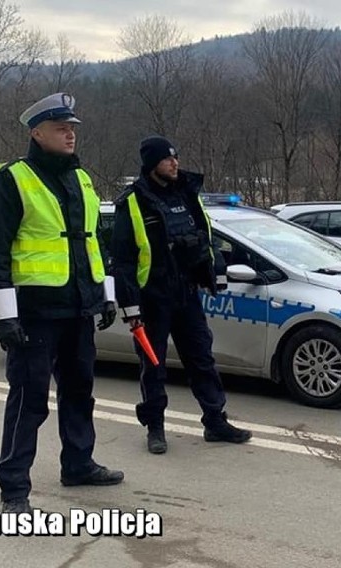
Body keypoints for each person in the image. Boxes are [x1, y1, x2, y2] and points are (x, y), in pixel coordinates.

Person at [0, 93, 124, 514]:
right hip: (35, 313)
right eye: (62, 128)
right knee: (29, 400)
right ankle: (13, 487)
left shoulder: (81, 179)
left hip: (78, 308)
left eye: (73, 128)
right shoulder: (13, 179)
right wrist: (3, 316)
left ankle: (78, 464)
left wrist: (105, 295)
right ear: (37, 132)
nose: (70, 134)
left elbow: (97, 243)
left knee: (80, 393)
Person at [110, 136, 252, 454]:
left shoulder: (187, 193)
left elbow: (207, 237)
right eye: (167, 159)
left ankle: (215, 421)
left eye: (176, 158)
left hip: (186, 294)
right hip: (152, 298)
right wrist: (130, 305)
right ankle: (155, 428)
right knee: (154, 365)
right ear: (151, 164)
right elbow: (123, 259)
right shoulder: (133, 202)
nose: (175, 163)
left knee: (202, 359)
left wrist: (213, 270)